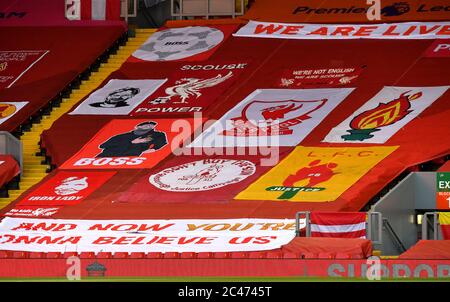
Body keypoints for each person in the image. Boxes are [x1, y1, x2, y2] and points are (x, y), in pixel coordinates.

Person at [96, 121, 167, 157]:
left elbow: (162, 142)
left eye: (151, 125)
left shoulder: (157, 135)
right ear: (137, 127)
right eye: (145, 125)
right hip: (107, 155)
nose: (148, 126)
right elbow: (103, 145)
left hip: (130, 157)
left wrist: (154, 148)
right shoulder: (122, 136)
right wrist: (131, 142)